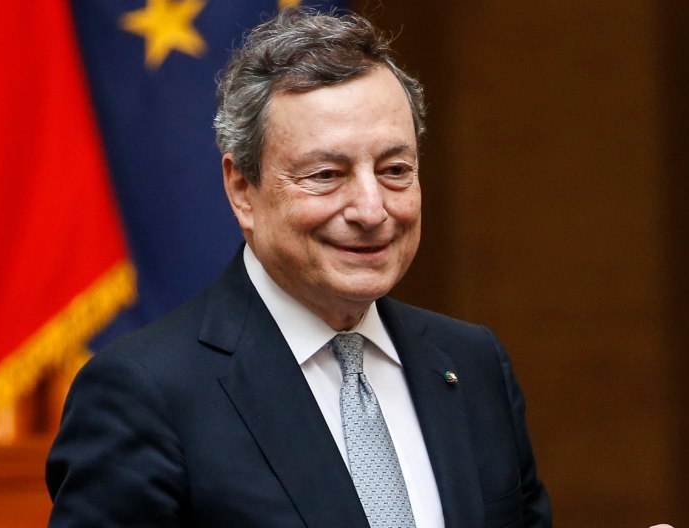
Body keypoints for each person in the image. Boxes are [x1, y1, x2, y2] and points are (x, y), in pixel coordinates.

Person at [46, 8, 552, 527]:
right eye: (326, 174)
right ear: (242, 190)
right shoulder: (143, 393)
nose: (371, 209)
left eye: (395, 170)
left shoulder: (472, 364)